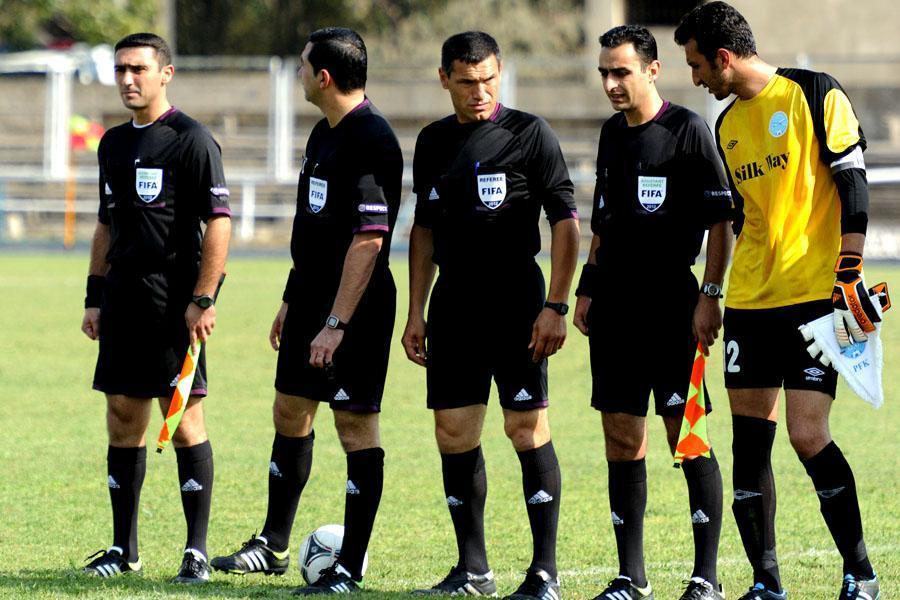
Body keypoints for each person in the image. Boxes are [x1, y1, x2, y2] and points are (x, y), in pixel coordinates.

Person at [674, 4, 882, 600]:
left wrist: (849, 269)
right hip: (749, 304)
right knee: (749, 443)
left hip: (817, 297)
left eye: (697, 66)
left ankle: (861, 574)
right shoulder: (726, 126)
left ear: (724, 58)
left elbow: (853, 181)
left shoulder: (814, 92)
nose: (696, 79)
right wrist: (713, 294)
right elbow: (738, 218)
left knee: (807, 434)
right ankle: (766, 584)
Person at [209, 27, 402, 595]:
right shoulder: (323, 132)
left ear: (324, 76)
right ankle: (272, 545)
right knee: (290, 411)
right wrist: (292, 301)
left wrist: (335, 324)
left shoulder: (372, 138)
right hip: (310, 300)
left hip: (356, 307)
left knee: (353, 424)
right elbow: (313, 229)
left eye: (301, 66)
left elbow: (368, 240)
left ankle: (349, 568)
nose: (296, 74)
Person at [401, 31, 579, 600]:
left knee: (525, 428)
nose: (480, 92)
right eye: (467, 81)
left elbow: (565, 222)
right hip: (454, 304)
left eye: (488, 80)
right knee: (453, 431)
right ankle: (472, 569)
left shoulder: (530, 133)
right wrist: (416, 311)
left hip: (518, 302)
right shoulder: (432, 141)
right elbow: (423, 229)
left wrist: (556, 305)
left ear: (499, 74)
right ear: (444, 79)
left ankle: (544, 573)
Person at [572, 25, 732, 600]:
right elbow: (602, 221)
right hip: (615, 309)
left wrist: (710, 294)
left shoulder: (687, 129)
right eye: (604, 73)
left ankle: (706, 577)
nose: (611, 84)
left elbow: (721, 222)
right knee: (620, 437)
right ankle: (630, 576)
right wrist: (587, 288)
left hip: (672, 307)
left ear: (652, 70)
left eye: (621, 72)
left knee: (686, 437)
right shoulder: (611, 134)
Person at [80, 32, 232, 584]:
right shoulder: (113, 143)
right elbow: (106, 223)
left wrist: (203, 297)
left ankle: (196, 551)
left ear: (165, 74)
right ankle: (124, 550)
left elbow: (219, 223)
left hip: (174, 303)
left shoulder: (192, 139)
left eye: (138, 69)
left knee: (184, 420)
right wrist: (94, 295)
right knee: (123, 416)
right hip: (122, 299)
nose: (127, 79)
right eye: (120, 69)